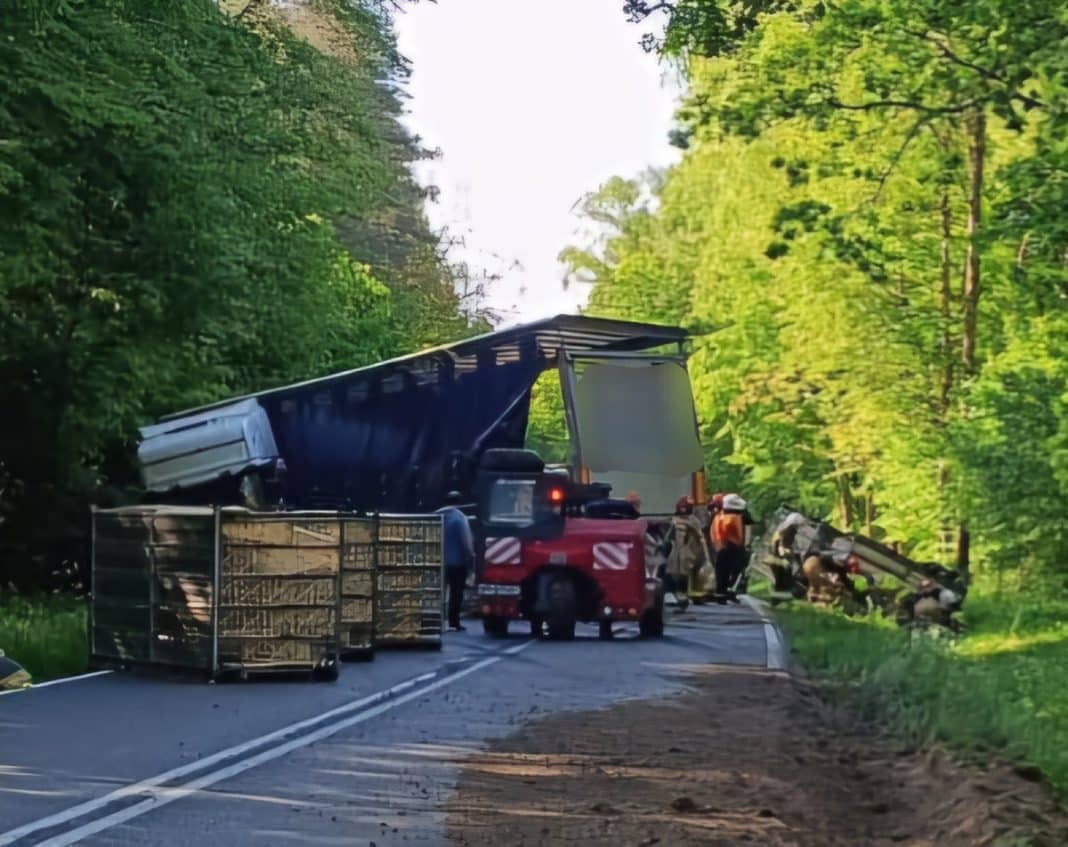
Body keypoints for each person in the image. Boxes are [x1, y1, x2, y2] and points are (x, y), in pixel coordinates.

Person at [437, 490, 475, 631]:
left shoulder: (435, 516)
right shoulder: (460, 518)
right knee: (456, 593)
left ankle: (434, 621)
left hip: (436, 563)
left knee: (436, 593)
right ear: (460, 503)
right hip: (456, 563)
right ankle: (453, 622)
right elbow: (466, 542)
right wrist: (470, 558)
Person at [665, 496, 710, 609]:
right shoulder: (673, 520)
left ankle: (684, 594)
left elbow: (700, 538)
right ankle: (673, 593)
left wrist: (705, 555)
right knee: (672, 571)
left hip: (688, 551)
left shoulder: (693, 521)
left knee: (686, 573)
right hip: (676, 551)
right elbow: (668, 536)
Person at [711, 493, 751, 602]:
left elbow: (715, 533)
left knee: (722, 570)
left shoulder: (719, 516)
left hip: (722, 547)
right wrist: (746, 545)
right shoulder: (739, 517)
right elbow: (745, 532)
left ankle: (721, 592)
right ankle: (728, 590)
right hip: (735, 547)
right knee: (736, 569)